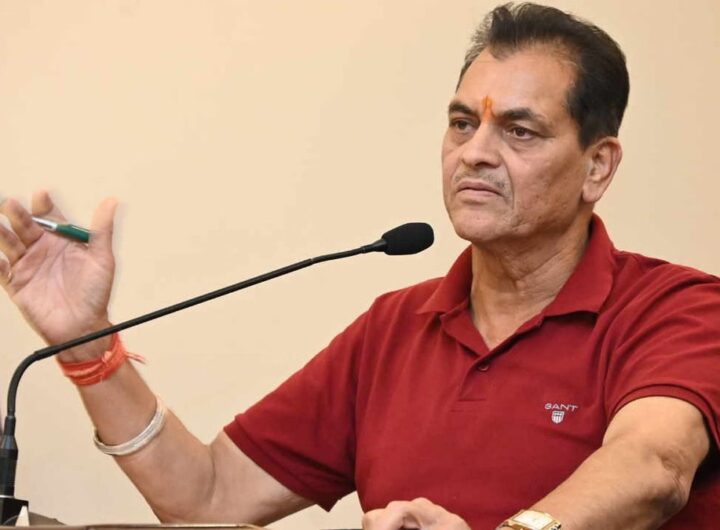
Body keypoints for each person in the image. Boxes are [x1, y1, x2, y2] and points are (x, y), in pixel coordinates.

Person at [1, 3, 719, 529]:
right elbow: (207, 498)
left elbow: (653, 469)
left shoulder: (680, 309)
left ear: (597, 167)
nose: (474, 153)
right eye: (462, 123)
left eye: (519, 130)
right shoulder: (394, 330)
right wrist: (88, 345)